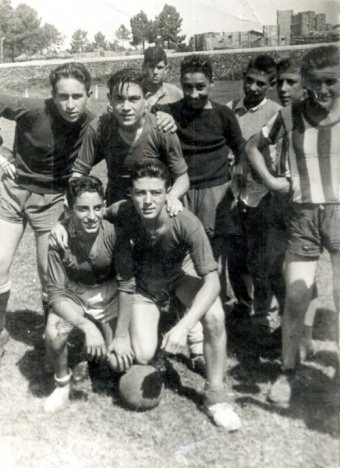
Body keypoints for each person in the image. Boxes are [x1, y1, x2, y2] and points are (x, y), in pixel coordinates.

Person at [108, 160, 242, 431]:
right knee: (144, 355)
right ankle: (156, 347)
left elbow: (213, 282)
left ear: (168, 191)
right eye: (140, 192)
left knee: (214, 316)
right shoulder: (121, 211)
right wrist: (64, 226)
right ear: (129, 194)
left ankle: (216, 397)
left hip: (178, 279)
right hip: (144, 288)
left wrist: (184, 326)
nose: (147, 200)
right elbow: (88, 213)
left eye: (155, 192)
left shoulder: (185, 221)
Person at [245, 45, 340, 405]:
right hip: (303, 217)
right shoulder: (288, 116)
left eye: (331, 82)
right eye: (316, 83)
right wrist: (271, 182)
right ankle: (289, 373)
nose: (324, 90)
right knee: (297, 296)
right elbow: (253, 148)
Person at [0, 62, 95, 357]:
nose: (69, 104)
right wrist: (1, 153)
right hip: (12, 193)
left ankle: (54, 336)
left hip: (53, 199)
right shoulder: (31, 109)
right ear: (51, 96)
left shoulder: (96, 121)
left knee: (50, 275)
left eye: (77, 96)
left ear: (89, 94)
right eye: (62, 96)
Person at [44, 176, 135, 412]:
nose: (92, 216)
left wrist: (122, 335)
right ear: (69, 209)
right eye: (83, 209)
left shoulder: (116, 234)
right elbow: (55, 296)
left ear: (104, 206)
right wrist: (86, 326)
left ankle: (100, 343)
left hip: (109, 297)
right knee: (55, 332)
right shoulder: (58, 239)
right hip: (76, 298)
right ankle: (62, 383)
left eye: (97, 207)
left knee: (118, 361)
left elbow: (126, 286)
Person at [72, 68, 189, 214]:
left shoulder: (161, 128)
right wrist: (73, 198)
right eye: (119, 99)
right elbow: (79, 172)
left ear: (146, 99)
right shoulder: (100, 127)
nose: (126, 107)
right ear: (110, 98)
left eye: (133, 99)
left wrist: (171, 196)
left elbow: (182, 176)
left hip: (153, 206)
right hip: (117, 207)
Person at [226, 55, 281, 327]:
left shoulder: (275, 113)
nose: (253, 88)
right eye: (250, 80)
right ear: (243, 77)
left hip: (262, 197)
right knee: (236, 258)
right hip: (234, 195)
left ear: (270, 85)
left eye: (261, 83)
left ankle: (263, 314)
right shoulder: (230, 109)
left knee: (261, 260)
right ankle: (242, 303)